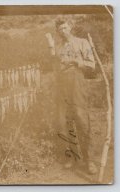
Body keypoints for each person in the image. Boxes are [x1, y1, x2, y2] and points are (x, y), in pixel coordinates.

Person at [53, 19, 97, 174]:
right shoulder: (58, 47)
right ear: (57, 32)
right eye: (60, 29)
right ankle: (71, 157)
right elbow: (56, 66)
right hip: (61, 85)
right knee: (63, 121)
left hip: (77, 82)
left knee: (81, 119)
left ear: (70, 27)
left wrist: (73, 60)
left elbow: (91, 65)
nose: (63, 31)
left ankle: (89, 160)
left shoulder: (82, 42)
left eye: (65, 27)